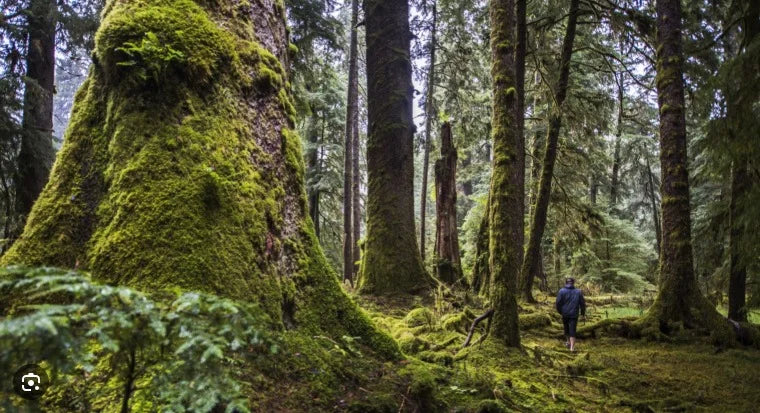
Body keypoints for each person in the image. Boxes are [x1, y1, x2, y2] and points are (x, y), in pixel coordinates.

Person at [555, 277, 586, 351]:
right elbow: (582, 304)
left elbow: (558, 303)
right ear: (573, 283)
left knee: (566, 328)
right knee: (572, 330)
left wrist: (560, 311)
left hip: (564, 313)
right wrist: (582, 314)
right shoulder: (578, 291)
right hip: (574, 314)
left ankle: (568, 342)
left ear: (566, 283)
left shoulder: (561, 291)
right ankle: (572, 348)